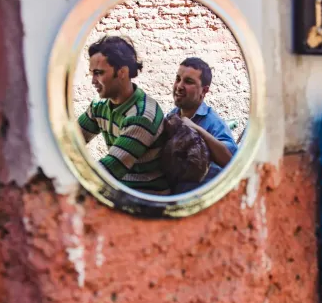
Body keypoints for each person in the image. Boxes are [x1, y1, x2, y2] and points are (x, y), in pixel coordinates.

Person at [78, 35, 170, 194]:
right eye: (92, 73)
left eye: (99, 73)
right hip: (119, 191)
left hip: (146, 199)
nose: (93, 81)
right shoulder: (99, 106)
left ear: (122, 72)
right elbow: (71, 139)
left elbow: (110, 169)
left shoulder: (142, 116)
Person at [171, 57, 238, 182]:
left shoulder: (213, 123)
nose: (179, 86)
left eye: (188, 82)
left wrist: (197, 131)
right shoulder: (171, 116)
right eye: (178, 79)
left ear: (204, 90)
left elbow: (232, 163)